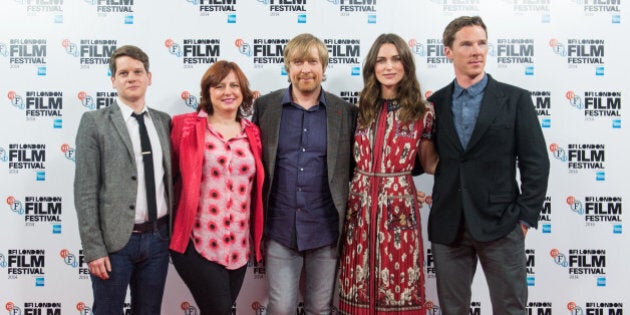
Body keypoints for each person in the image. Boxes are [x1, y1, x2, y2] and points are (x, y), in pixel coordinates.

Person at [427, 16, 550, 315]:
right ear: (448, 52)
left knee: (510, 308)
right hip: (449, 225)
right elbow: (426, 163)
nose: (476, 51)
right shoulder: (435, 104)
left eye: (481, 43)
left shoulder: (515, 99)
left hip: (501, 224)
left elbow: (536, 163)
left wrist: (524, 219)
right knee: (453, 310)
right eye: (466, 44)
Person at [252, 33, 357, 314]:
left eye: (312, 61)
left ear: (324, 66)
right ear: (287, 66)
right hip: (279, 227)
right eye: (298, 62)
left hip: (326, 230)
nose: (306, 69)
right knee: (281, 308)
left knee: (320, 309)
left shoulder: (345, 112)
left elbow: (358, 169)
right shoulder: (266, 108)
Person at [338, 33, 438, 315]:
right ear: (372, 67)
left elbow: (430, 163)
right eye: (381, 60)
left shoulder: (423, 112)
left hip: (400, 208)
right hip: (359, 209)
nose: (389, 66)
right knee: (356, 282)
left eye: (396, 59)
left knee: (398, 284)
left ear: (406, 64)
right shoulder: (358, 112)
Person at [74, 45, 173, 313]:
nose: (131, 77)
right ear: (113, 80)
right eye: (124, 72)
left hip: (158, 240)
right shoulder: (94, 122)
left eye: (138, 71)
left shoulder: (164, 122)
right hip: (115, 243)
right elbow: (85, 192)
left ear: (149, 77)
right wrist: (93, 249)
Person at [169, 60, 264, 315]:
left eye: (234, 85)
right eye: (219, 85)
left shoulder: (253, 132)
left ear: (243, 92)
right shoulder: (185, 126)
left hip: (239, 248)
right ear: (208, 92)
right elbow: (165, 178)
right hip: (198, 242)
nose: (227, 91)